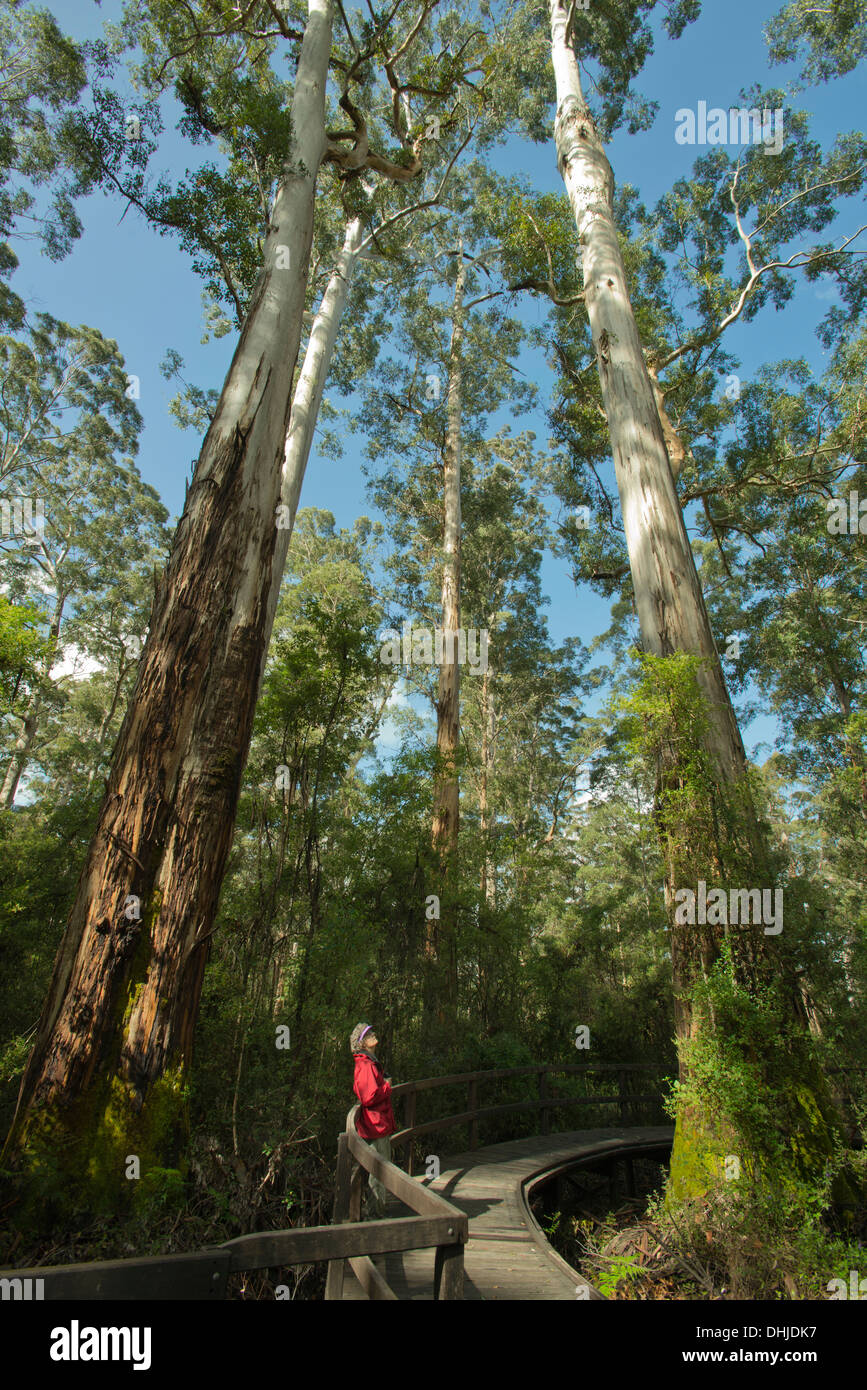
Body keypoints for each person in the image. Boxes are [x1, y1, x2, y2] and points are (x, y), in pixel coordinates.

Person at [349, 1023, 397, 1218]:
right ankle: (375, 1217)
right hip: (375, 1125)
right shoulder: (365, 1064)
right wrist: (387, 1087)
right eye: (369, 1034)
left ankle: (377, 1213)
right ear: (362, 1043)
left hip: (378, 1123)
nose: (374, 1035)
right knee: (379, 1171)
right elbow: (368, 1097)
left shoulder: (370, 1062)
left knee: (381, 1169)